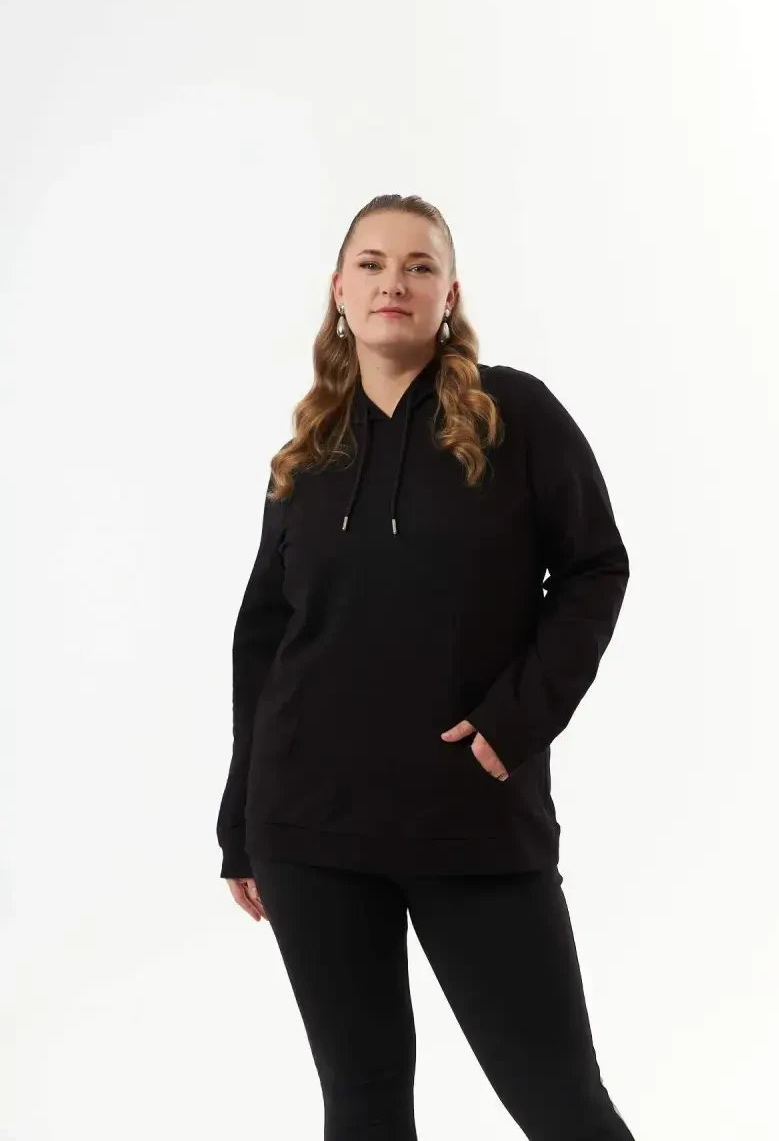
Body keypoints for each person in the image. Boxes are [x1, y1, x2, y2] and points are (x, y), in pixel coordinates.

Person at [216, 193, 636, 1140]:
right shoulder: (306, 455)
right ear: (339, 290)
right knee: (362, 1105)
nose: (392, 283)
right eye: (370, 264)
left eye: (418, 266)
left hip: (470, 817)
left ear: (449, 294)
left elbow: (595, 569)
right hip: (309, 830)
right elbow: (264, 639)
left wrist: (516, 720)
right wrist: (240, 816)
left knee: (563, 1105)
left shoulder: (515, 415)